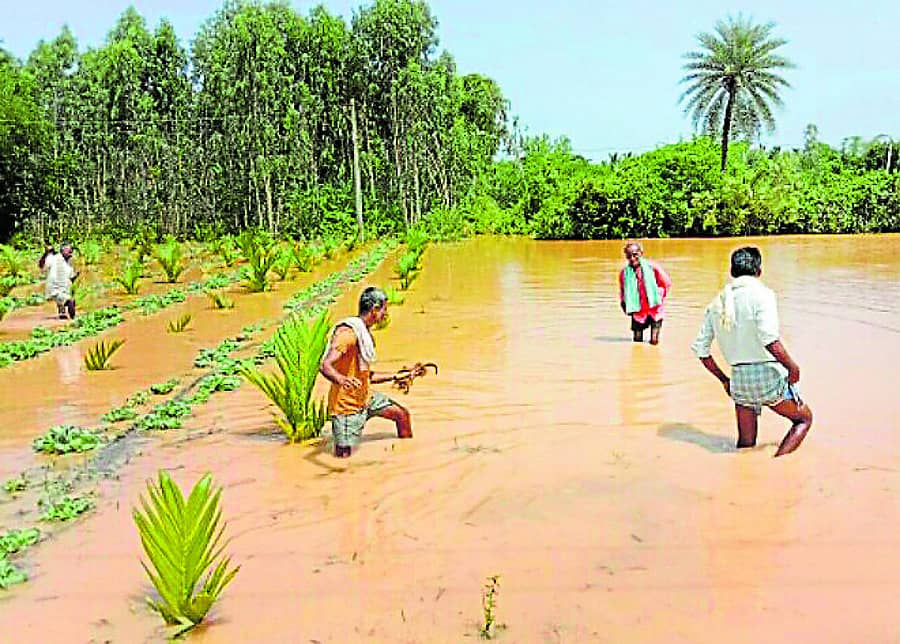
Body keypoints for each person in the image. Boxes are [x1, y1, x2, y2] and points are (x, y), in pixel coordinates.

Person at [691, 247, 813, 457]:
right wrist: (793, 368)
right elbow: (769, 339)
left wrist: (724, 380)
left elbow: (701, 351)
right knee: (803, 419)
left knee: (746, 445)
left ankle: (746, 472)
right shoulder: (763, 295)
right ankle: (778, 464)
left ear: (732, 271)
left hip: (739, 378)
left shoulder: (717, 302)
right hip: (767, 376)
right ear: (759, 270)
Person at [319, 286, 413, 458]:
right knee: (343, 458)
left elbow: (366, 376)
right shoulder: (347, 335)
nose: (385, 314)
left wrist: (395, 376)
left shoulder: (363, 334)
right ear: (375, 309)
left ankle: (407, 458)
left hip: (366, 397)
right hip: (346, 407)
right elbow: (325, 365)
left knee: (402, 415)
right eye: (384, 309)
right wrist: (341, 379)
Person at [618, 241, 672, 344]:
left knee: (654, 341)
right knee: (637, 341)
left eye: (635, 255)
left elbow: (666, 283)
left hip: (655, 309)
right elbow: (623, 290)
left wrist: (657, 296)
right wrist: (624, 303)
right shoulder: (624, 273)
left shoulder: (653, 268)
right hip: (638, 310)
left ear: (641, 253)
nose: (632, 258)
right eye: (629, 256)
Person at [39, 243, 78, 320]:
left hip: (64, 290)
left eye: (71, 251)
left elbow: (71, 278)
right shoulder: (54, 259)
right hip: (54, 290)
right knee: (69, 301)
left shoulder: (69, 265)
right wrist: (46, 253)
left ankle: (62, 314)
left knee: (68, 303)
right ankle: (72, 319)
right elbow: (41, 265)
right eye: (68, 250)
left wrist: (75, 277)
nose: (71, 252)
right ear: (62, 250)